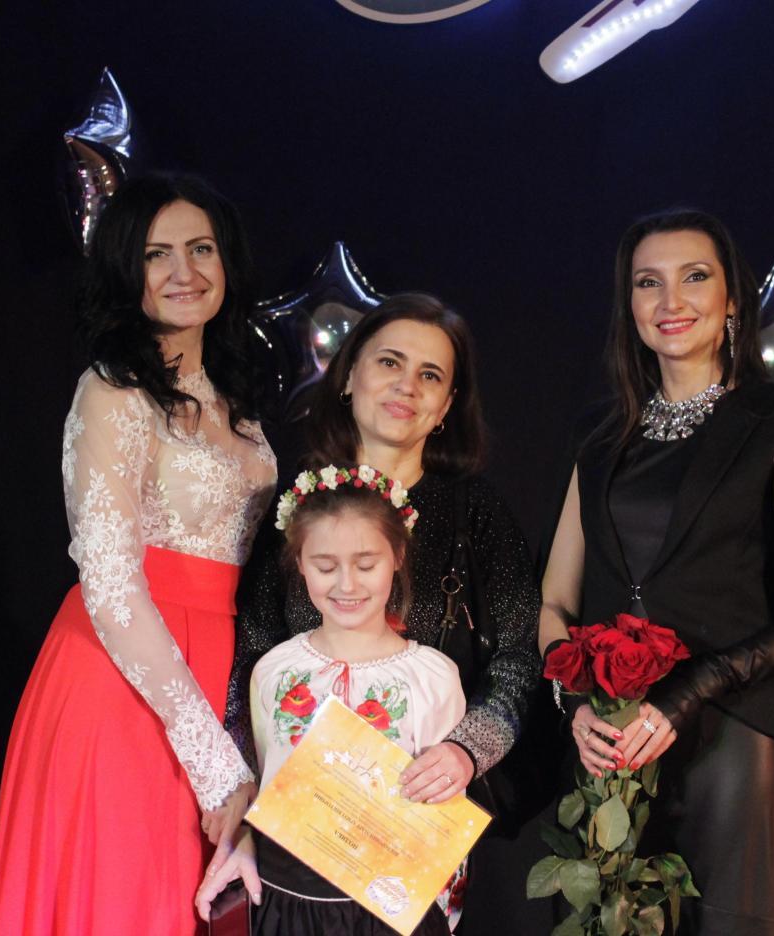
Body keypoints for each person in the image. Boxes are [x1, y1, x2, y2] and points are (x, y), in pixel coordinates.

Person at [538, 208, 774, 935]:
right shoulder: (599, 435)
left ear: (731, 299)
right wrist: (576, 705)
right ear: (629, 305)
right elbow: (556, 600)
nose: (670, 300)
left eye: (694, 277)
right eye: (647, 282)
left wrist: (691, 691)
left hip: (738, 735)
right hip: (612, 743)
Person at [0, 175, 276, 935]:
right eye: (156, 254)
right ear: (125, 270)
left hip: (221, 670)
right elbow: (111, 584)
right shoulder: (112, 392)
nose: (184, 271)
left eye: (201, 248)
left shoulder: (235, 399)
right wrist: (210, 758)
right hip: (125, 681)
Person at [226, 293, 542, 930]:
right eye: (390, 363)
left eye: (431, 375)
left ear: (447, 405)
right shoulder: (299, 507)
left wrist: (466, 752)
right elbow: (251, 658)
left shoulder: (477, 514)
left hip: (414, 826)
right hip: (298, 853)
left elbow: (518, 655)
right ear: (348, 377)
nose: (407, 386)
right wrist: (243, 808)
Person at [196, 465, 466, 933]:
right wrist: (246, 840)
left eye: (366, 565)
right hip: (290, 907)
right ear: (300, 562)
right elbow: (266, 782)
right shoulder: (275, 672)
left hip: (387, 912)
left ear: (398, 555)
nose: (347, 585)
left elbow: (443, 819)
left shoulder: (431, 678)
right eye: (325, 566)